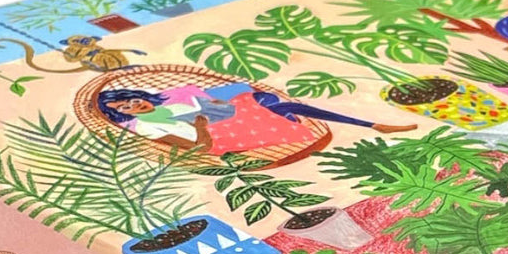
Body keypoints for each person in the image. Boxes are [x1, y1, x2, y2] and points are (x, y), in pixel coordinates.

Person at [96, 86, 414, 155]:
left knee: (267, 100)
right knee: (277, 107)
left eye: (132, 99)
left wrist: (210, 105)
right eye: (125, 107)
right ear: (123, 115)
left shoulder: (168, 99)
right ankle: (371, 126)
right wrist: (202, 126)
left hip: (225, 118)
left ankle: (371, 125)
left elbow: (206, 101)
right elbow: (198, 149)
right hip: (221, 137)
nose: (134, 105)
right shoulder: (144, 127)